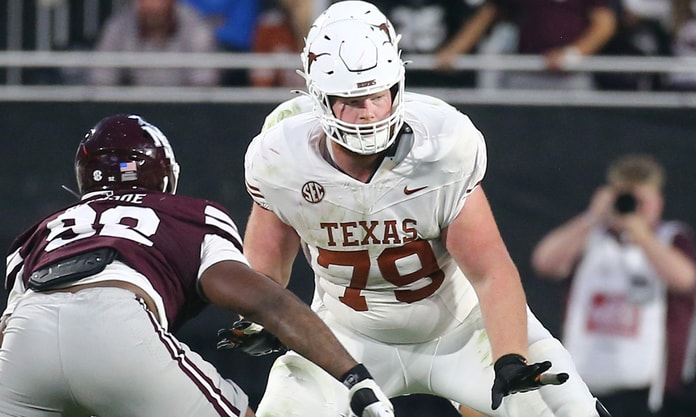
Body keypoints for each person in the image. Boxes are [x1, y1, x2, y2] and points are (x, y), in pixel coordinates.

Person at [226, 2, 609, 416]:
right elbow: (266, 271)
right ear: (320, 98)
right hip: (345, 338)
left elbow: (490, 269)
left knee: (571, 411)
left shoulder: (442, 145)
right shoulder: (282, 157)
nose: (368, 112)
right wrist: (260, 316)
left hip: (463, 331)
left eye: (377, 95)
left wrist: (510, 356)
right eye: (351, 99)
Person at [0, 114, 393, 417]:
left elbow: (9, 327)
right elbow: (266, 301)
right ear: (165, 174)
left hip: (24, 345)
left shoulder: (42, 230)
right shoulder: (187, 214)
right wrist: (353, 375)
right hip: (116, 325)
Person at [530, 154, 696, 417]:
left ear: (658, 201)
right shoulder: (591, 238)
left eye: (641, 200)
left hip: (647, 391)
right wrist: (592, 217)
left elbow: (685, 279)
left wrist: (640, 233)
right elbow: (544, 262)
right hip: (585, 384)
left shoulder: (670, 238)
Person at [435, 0, 617, 90]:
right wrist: (454, 51)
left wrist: (572, 54)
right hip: (526, 72)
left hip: (571, 77)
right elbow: (487, 14)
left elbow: (604, 24)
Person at [88, 0, 220, 86]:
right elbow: (101, 80)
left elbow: (203, 84)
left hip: (186, 113)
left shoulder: (197, 29)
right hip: (132, 111)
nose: (152, 6)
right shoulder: (118, 26)